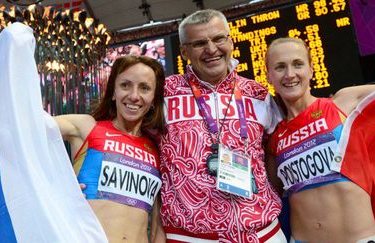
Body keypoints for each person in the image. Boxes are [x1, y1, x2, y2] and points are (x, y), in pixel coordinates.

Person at [158, 9, 286, 242]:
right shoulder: (164, 93)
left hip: (263, 233)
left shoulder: (258, 94)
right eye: (199, 43)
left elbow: (274, 152)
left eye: (218, 38)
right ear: (184, 51)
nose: (211, 49)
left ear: (231, 41)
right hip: (191, 236)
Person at [265, 37, 375, 243]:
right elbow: (270, 197)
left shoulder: (343, 103)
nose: (290, 74)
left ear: (312, 69)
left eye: (298, 64)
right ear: (269, 76)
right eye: (280, 67)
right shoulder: (275, 139)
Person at [54, 55, 166, 243]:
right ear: (113, 92)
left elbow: (156, 228)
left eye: (144, 88)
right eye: (125, 85)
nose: (133, 95)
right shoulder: (87, 127)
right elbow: (23, 128)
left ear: (154, 99)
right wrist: (54, 187)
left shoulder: (158, 149)